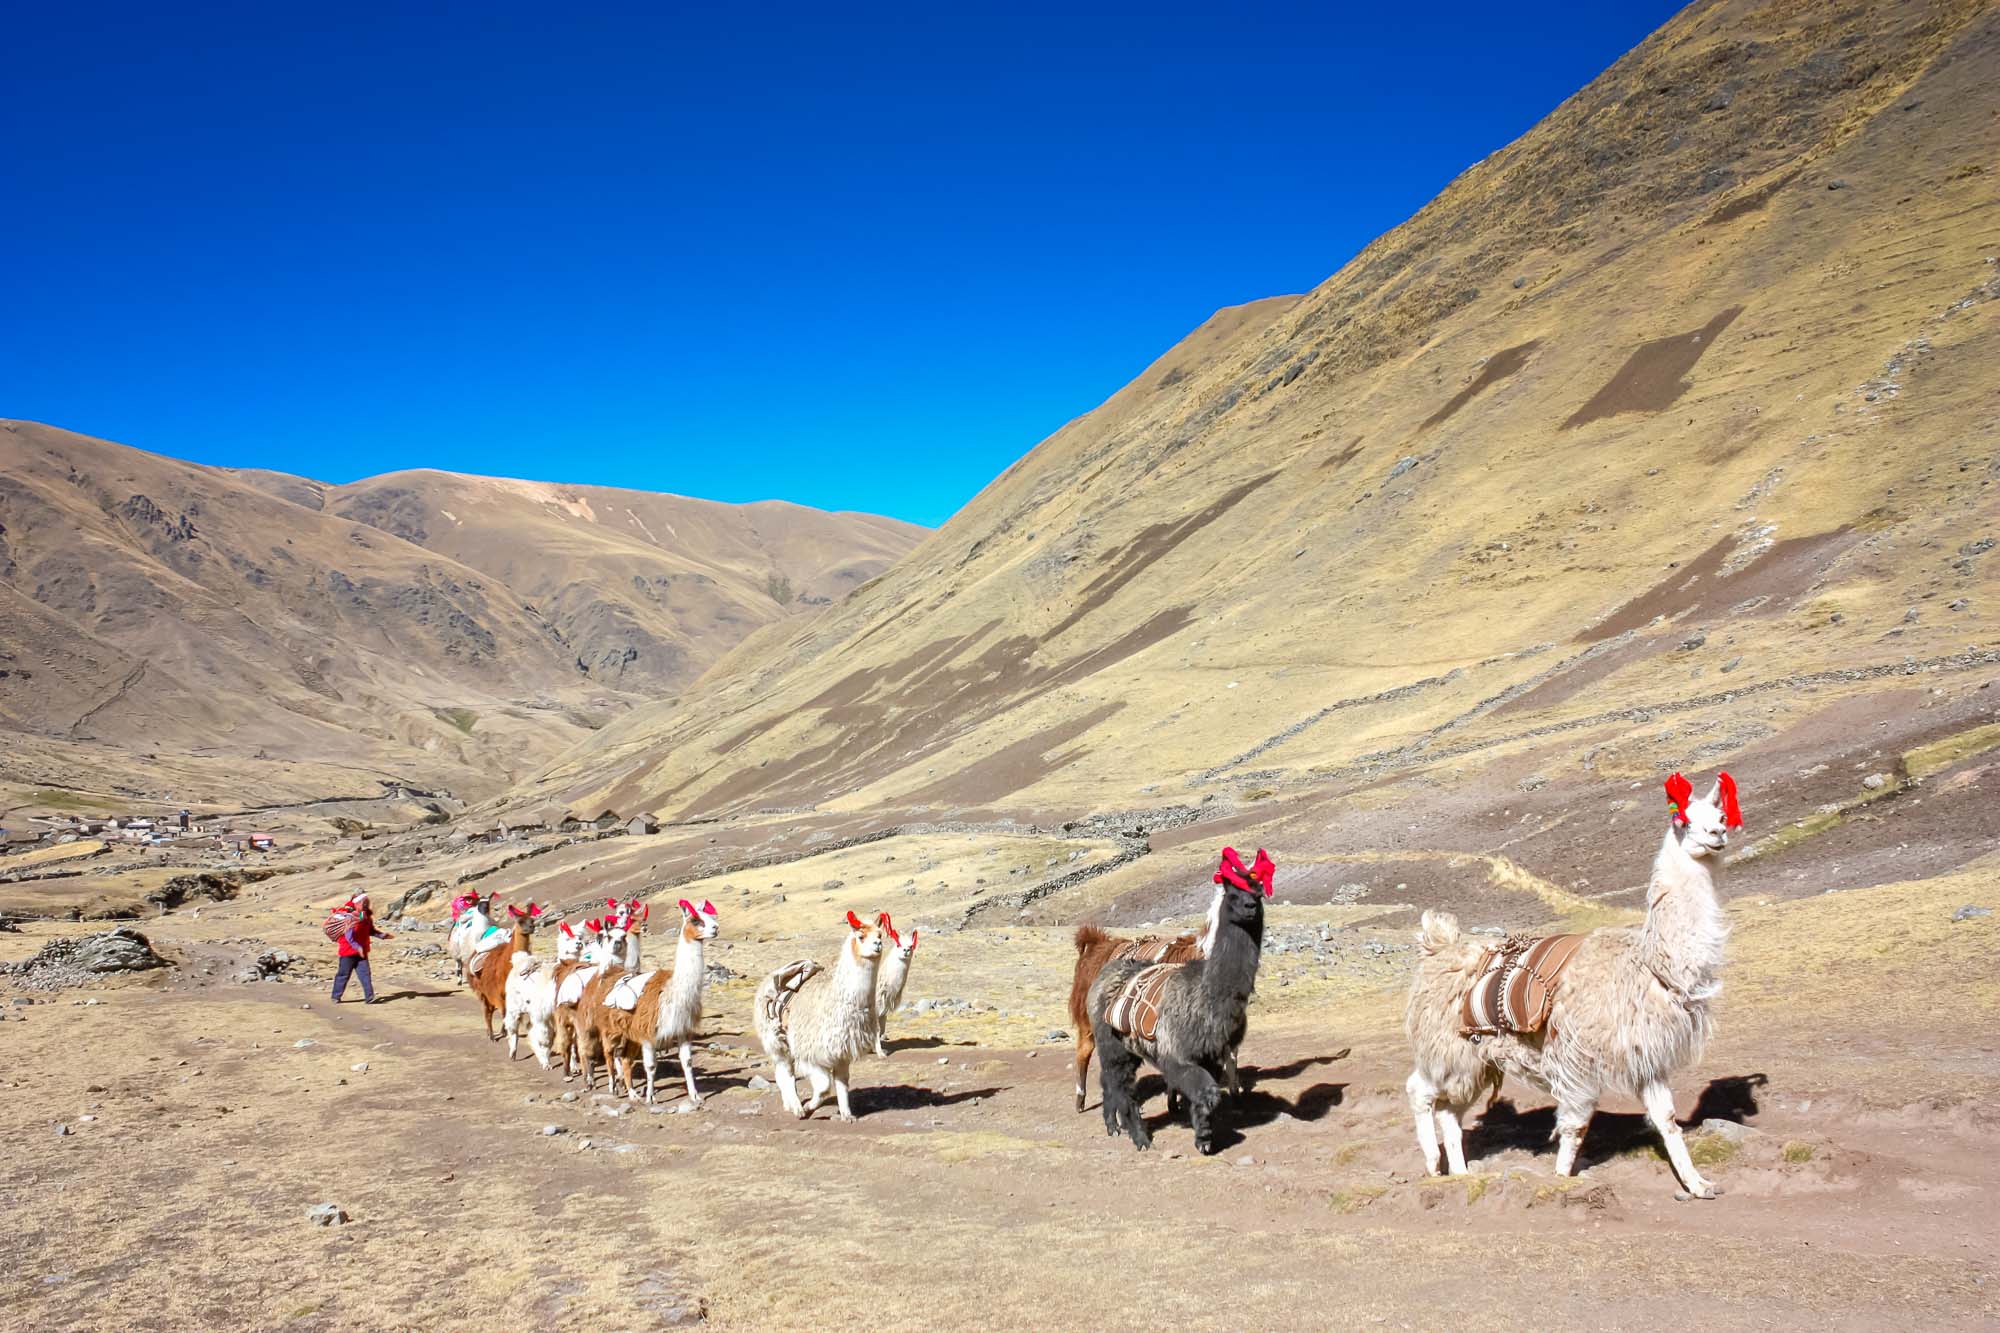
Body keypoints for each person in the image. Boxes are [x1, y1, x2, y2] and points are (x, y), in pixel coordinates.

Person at [332, 892, 393, 1004]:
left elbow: (370, 931)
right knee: (343, 975)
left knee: (365, 974)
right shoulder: (350, 917)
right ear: (357, 904)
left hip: (362, 952)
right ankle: (336, 996)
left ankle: (369, 997)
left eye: (367, 902)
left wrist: (383, 936)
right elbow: (348, 936)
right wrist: (357, 947)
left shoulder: (366, 918)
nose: (366, 904)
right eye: (363, 902)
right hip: (348, 952)